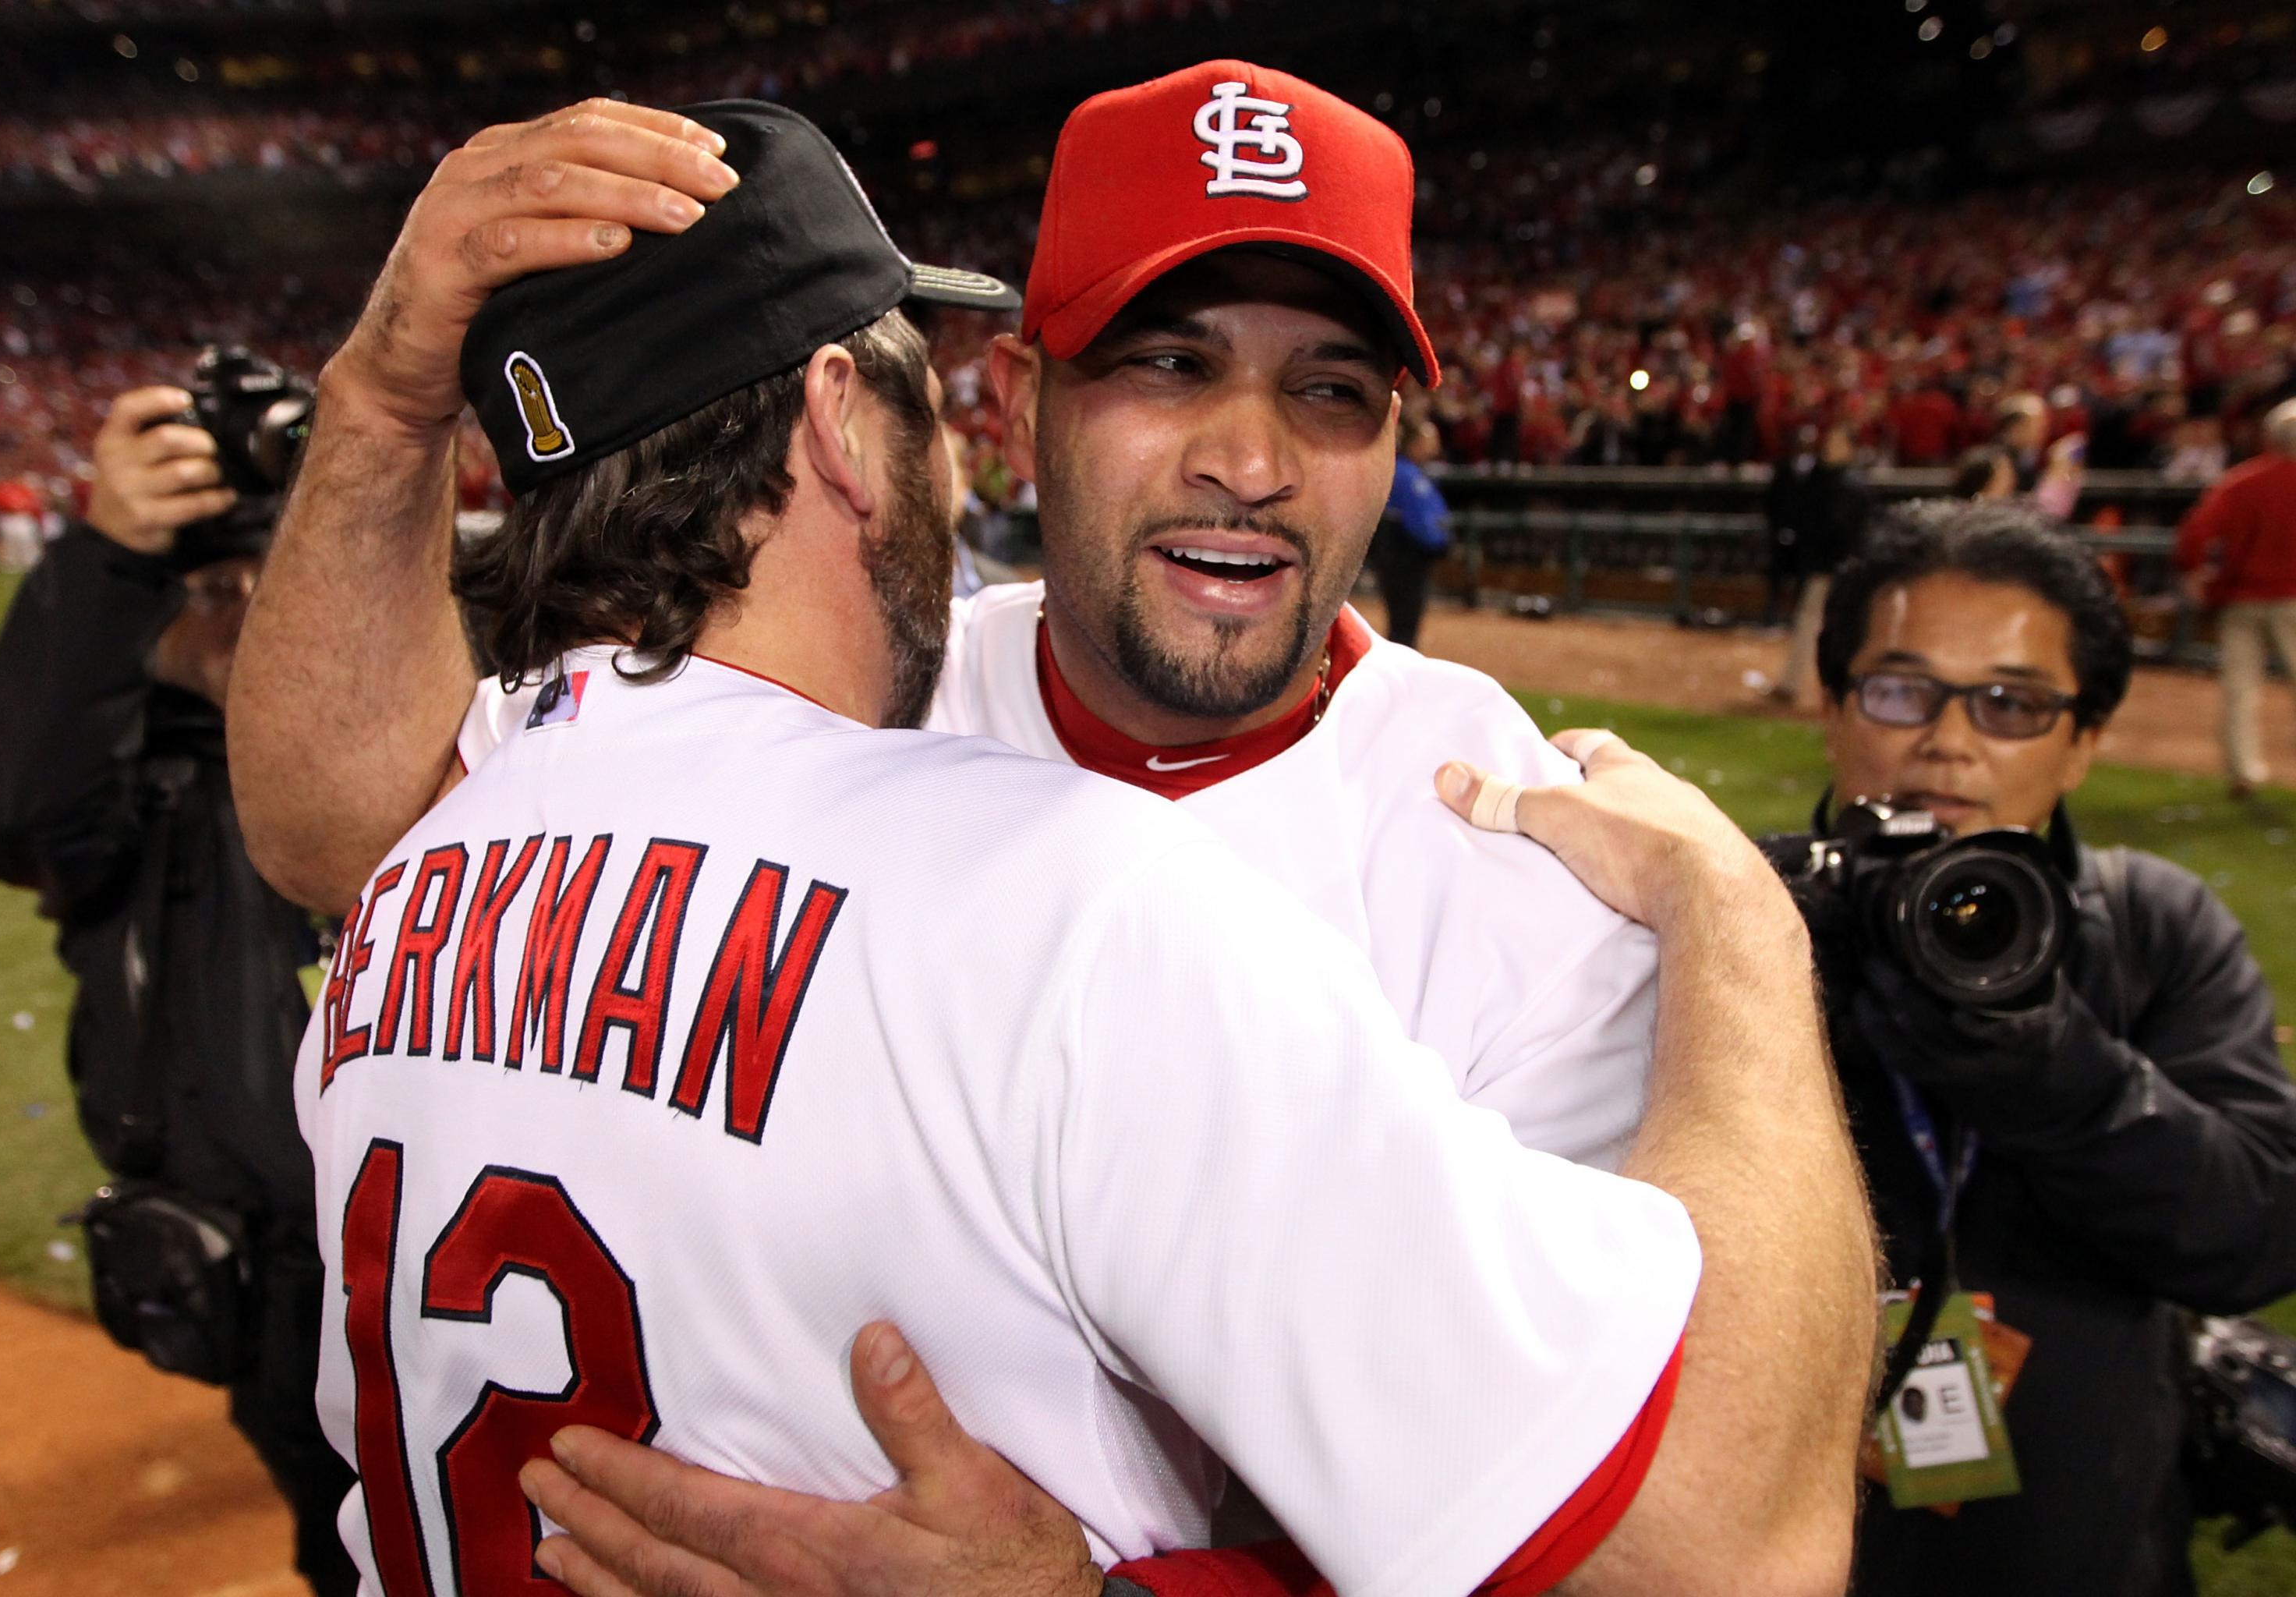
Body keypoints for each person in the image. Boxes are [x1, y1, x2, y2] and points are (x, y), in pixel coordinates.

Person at [227, 79, 1873, 1597]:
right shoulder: (860, 718)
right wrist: (376, 403)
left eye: (1333, 390)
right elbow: (331, 826)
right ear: (1005, 407)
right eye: (1169, 364)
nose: (1248, 460)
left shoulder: (1519, 852)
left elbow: (1654, 1530)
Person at [1771, 499, 2296, 1596]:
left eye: (2012, 705)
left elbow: (2255, 1235)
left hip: (2089, 1543)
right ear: (1835, 706)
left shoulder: (2154, 929)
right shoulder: (1734, 916)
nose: (1949, 742)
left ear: (2083, 744)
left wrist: (2053, 1074)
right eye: (1902, 691)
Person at [0, 387, 356, 1595]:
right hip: (273, 1276)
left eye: (269, 578)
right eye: (210, 592)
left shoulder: (388, 734)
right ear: (151, 620)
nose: (250, 615)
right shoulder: (128, 780)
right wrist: (111, 556)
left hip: (424, 1256)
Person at [2174, 397, 2296, 798]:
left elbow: (2195, 533)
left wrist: (2194, 571)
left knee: (2240, 691)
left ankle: (2244, 770)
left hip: (2241, 598)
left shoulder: (2242, 481)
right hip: (2292, 602)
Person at [1769, 421, 1870, 708]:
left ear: (1851, 449)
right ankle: (1800, 687)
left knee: (1842, 632)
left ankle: (1843, 692)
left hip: (1840, 570)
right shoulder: (1824, 478)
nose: (1829, 447)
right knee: (1811, 625)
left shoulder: (1850, 484)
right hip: (1826, 567)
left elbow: (1846, 531)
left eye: (1837, 442)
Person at [1367, 415, 1449, 646]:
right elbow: (1422, 524)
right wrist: (1440, 546)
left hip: (1398, 557)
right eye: (1429, 439)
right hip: (1405, 558)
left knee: (1402, 624)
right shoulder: (1406, 474)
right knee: (1404, 626)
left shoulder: (1409, 471)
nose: (1434, 445)